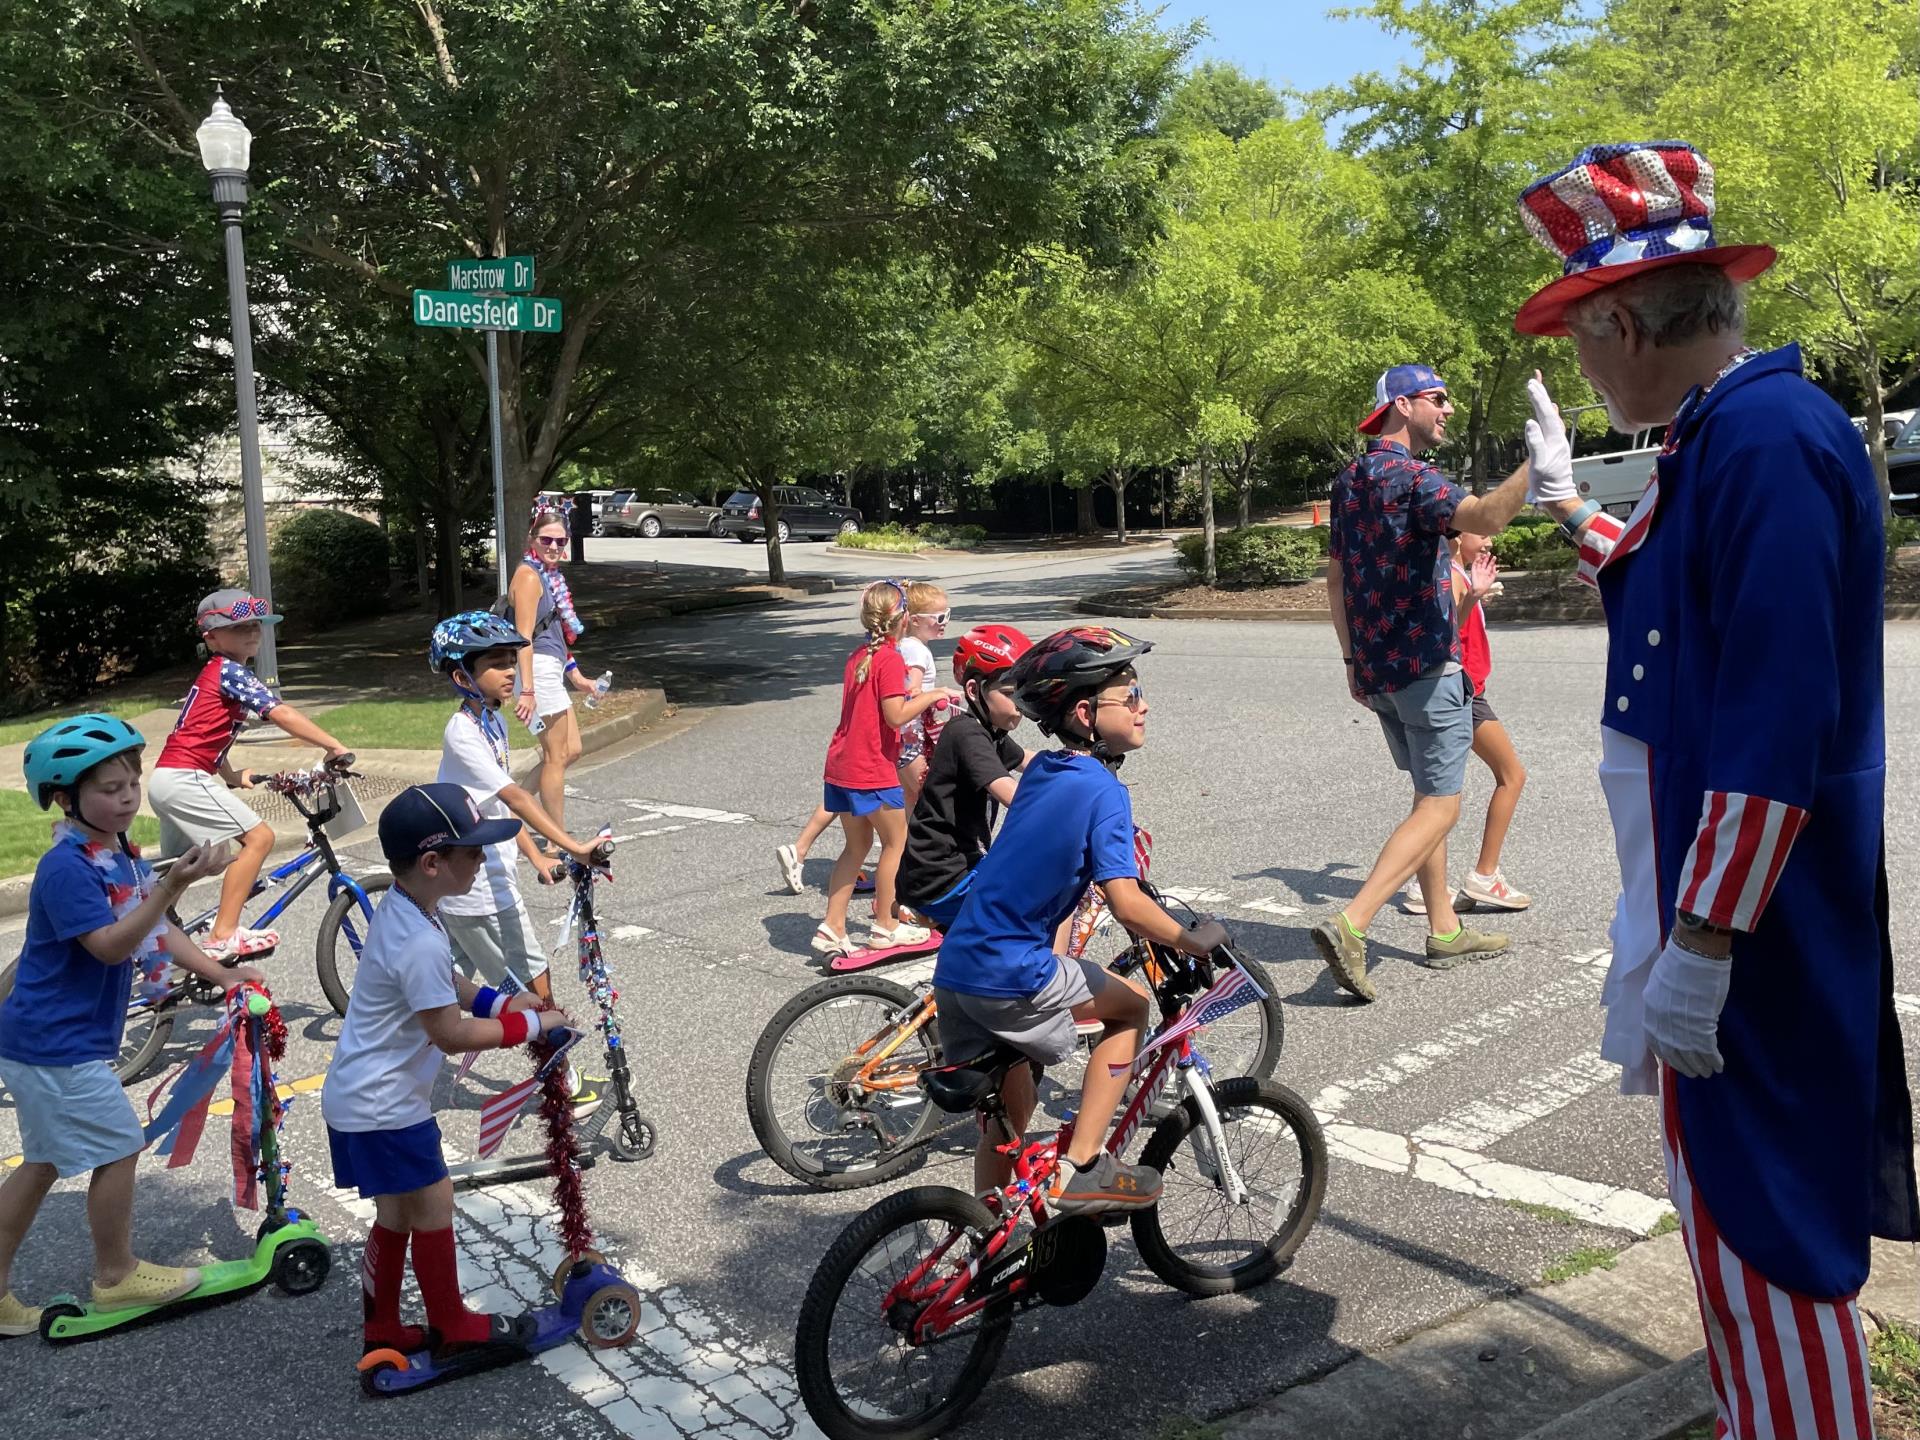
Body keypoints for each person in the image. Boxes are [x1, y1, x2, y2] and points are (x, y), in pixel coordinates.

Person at [1515, 139, 1917, 1436]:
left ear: (1627, 318)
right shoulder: (1734, 432)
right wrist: (1575, 505)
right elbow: (1668, 600)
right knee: (1732, 1236)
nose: (1583, 362)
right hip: (1729, 912)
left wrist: (1701, 939)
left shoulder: (1763, 439)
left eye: (1583, 333)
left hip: (1757, 927)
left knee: (1772, 1241)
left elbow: (1775, 715)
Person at [932, 627, 1225, 1212]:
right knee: (1131, 1009)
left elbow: (1038, 870)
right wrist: (1189, 940)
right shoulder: (1104, 792)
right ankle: (1084, 1164)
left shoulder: (1043, 770)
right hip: (1013, 971)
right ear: (1087, 713)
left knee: (1008, 1122)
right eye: (1131, 696)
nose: (1144, 708)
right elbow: (1125, 901)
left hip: (958, 970)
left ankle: (989, 1244)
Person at [0, 715, 264, 1336]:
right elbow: (112, 946)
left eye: (130, 784)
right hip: (51, 1043)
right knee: (119, 1144)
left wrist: (223, 974)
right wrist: (171, 885)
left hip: (53, 1040)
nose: (124, 798)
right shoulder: (67, 867)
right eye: (107, 789)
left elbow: (154, 928)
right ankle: (116, 1276)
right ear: (66, 799)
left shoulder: (115, 853)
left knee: (40, 1164)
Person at [320, 782, 571, 1363]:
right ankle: (452, 1325)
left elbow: (450, 990)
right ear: (432, 862)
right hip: (384, 1105)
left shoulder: (409, 908)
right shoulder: (417, 938)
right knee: (431, 1203)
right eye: (473, 852)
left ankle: (381, 1326)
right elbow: (448, 1033)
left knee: (397, 1212)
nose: (483, 861)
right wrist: (533, 1028)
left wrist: (500, 1004)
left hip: (364, 1097)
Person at [1312, 365, 1539, 1002]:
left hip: (1377, 670)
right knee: (1443, 803)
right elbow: (1488, 517)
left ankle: (1444, 930)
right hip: (1427, 667)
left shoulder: (1349, 480)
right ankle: (1352, 925)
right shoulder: (1415, 479)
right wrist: (1539, 459)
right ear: (1402, 405)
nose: (1446, 410)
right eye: (1437, 400)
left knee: (1424, 794)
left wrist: (1352, 661)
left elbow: (1335, 581)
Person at [429, 610, 608, 1113]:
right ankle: (562, 1085)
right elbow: (515, 798)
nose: (511, 670)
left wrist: (537, 855)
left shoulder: (491, 720)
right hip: (476, 892)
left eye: (512, 660)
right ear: (463, 676)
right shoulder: (462, 732)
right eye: (496, 663)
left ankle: (395, 1062)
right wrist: (574, 846)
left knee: (441, 984)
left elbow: (493, 809)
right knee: (524, 988)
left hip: (492, 878)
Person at [148, 589, 351, 960]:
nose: (252, 632)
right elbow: (279, 713)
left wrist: (229, 773)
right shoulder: (229, 671)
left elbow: (202, 730)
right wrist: (332, 745)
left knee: (186, 868)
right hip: (184, 778)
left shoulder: (218, 674)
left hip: (171, 777)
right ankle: (224, 933)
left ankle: (145, 930)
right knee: (259, 838)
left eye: (256, 625)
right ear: (211, 637)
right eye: (239, 626)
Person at [812, 580, 960, 958]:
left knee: (856, 845)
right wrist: (934, 694)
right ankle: (886, 926)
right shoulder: (890, 658)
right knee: (897, 842)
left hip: (842, 763)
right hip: (871, 767)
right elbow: (895, 716)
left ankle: (834, 926)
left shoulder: (859, 655)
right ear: (905, 618)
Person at [1401, 533, 1531, 915]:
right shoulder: (1450, 573)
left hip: (1463, 689)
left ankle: (1421, 886)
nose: (1490, 539)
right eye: (1481, 530)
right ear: (1456, 536)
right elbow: (1444, 635)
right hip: (1462, 691)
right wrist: (1472, 595)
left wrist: (1476, 594)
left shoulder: (1452, 569)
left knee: (1432, 792)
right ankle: (1484, 876)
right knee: (1511, 776)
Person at [898, 624, 1033, 930]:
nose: (1021, 704)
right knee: (1041, 901)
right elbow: (1010, 793)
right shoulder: (966, 733)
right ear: (974, 691)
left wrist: (1081, 760)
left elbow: (1028, 760)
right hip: (943, 879)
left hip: (963, 867)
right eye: (1011, 693)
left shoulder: (991, 731)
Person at [510, 509, 600, 836]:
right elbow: (523, 637)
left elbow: (555, 634)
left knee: (571, 750)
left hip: (550, 668)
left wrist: (577, 677)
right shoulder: (529, 576)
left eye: (560, 541)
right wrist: (529, 691)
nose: (553, 546)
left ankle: (512, 805)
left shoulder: (549, 575)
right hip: (537, 673)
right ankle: (555, 838)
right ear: (532, 540)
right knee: (554, 755)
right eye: (546, 539)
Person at [894, 582, 953, 810]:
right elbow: (912, 691)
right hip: (910, 734)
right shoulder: (916, 649)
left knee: (911, 795)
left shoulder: (907, 645)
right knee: (927, 793)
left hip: (905, 732)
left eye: (947, 614)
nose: (945, 621)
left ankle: (906, 842)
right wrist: (938, 695)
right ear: (915, 620)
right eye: (938, 617)